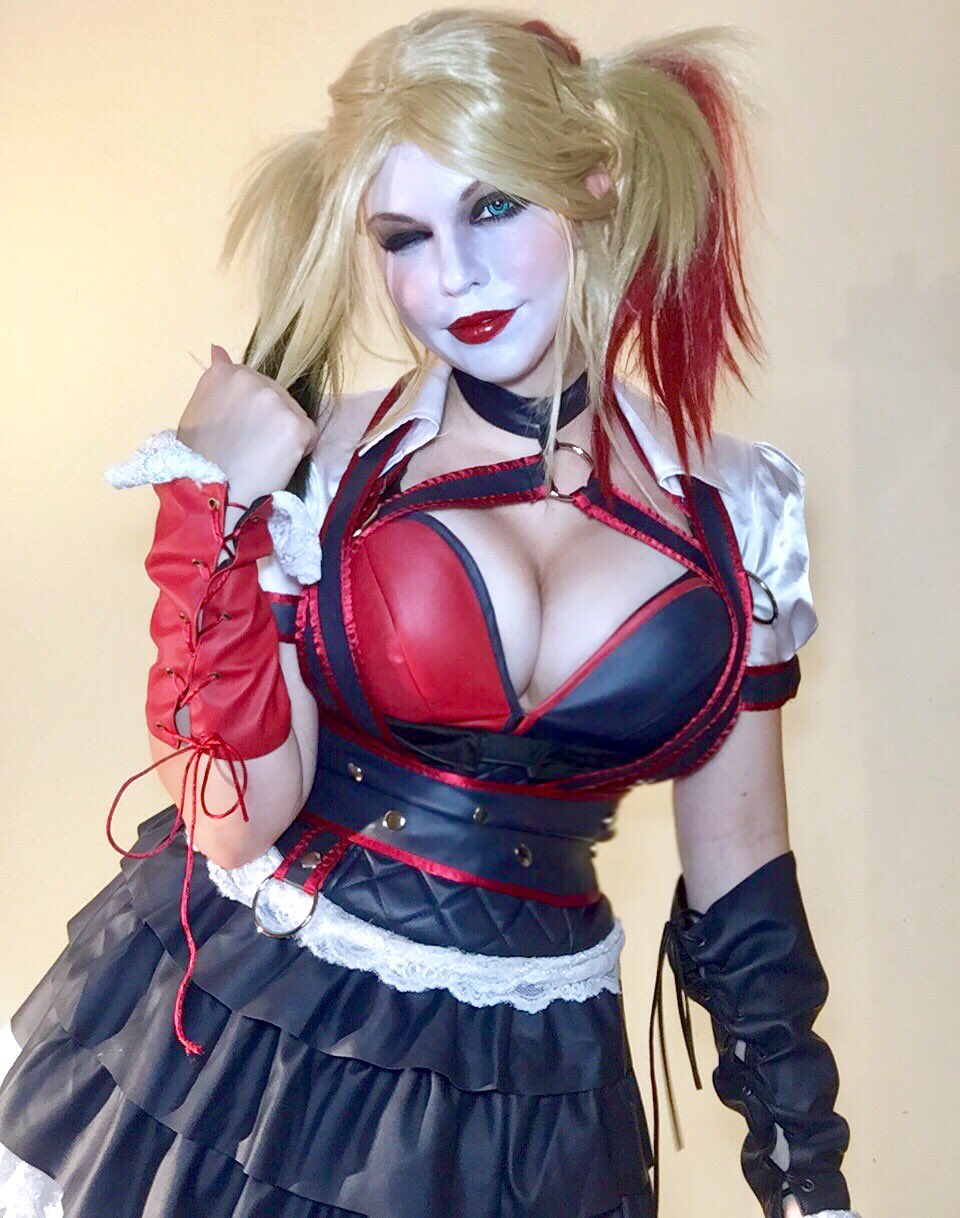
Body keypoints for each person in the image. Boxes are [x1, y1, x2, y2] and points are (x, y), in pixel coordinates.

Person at [0, 10, 859, 1218]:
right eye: (404, 237)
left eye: (494, 207)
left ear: (594, 184)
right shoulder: (333, 463)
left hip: (539, 1077)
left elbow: (741, 870)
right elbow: (233, 827)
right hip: (270, 1038)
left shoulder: (732, 509)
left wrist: (804, 1164)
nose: (451, 276)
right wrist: (213, 510)